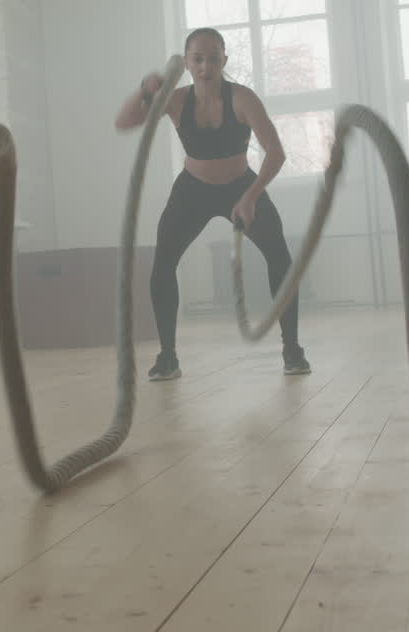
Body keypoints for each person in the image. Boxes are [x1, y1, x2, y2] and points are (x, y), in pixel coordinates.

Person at [114, 27, 311, 381]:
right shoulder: (174, 99)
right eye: (198, 59)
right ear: (188, 62)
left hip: (241, 187)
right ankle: (168, 357)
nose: (206, 66)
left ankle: (293, 351)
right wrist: (147, 88)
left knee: (281, 258)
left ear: (224, 60)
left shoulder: (242, 98)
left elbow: (276, 154)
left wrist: (250, 198)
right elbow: (124, 122)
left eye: (213, 58)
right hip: (192, 190)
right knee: (162, 266)